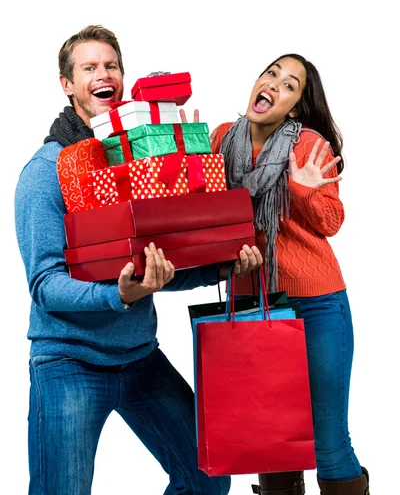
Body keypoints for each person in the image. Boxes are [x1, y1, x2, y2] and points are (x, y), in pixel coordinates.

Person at [14, 25, 262, 495]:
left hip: (139, 358)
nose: (102, 74)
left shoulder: (131, 158)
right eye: (89, 67)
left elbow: (152, 266)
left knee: (208, 477)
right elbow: (45, 285)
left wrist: (222, 267)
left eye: (111, 66)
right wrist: (120, 296)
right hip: (70, 361)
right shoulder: (44, 172)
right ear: (67, 85)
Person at [208, 54, 370, 495]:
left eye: (290, 84)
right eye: (271, 73)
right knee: (272, 445)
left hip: (315, 304)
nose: (274, 84)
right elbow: (206, 210)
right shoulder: (222, 138)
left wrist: (301, 189)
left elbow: (331, 221)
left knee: (329, 442)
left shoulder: (308, 145)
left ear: (296, 106)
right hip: (253, 304)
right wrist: (182, 151)